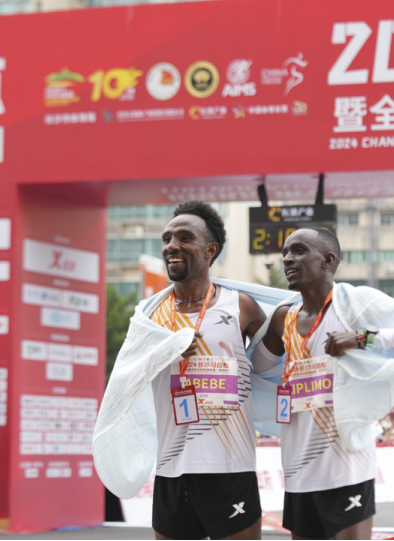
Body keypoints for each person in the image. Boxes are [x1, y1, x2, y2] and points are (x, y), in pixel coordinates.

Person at [252, 228, 394, 540]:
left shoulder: (354, 303)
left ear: (328, 260)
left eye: (299, 250)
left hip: (346, 465)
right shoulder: (283, 317)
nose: (288, 258)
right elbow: (255, 370)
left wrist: (363, 338)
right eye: (285, 253)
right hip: (298, 469)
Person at [147, 201, 266, 540]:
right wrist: (164, 352)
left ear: (210, 250)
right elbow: (128, 376)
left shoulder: (241, 306)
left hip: (230, 467)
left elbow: (271, 365)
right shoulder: (150, 313)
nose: (172, 245)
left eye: (185, 238)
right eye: (167, 238)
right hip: (171, 467)